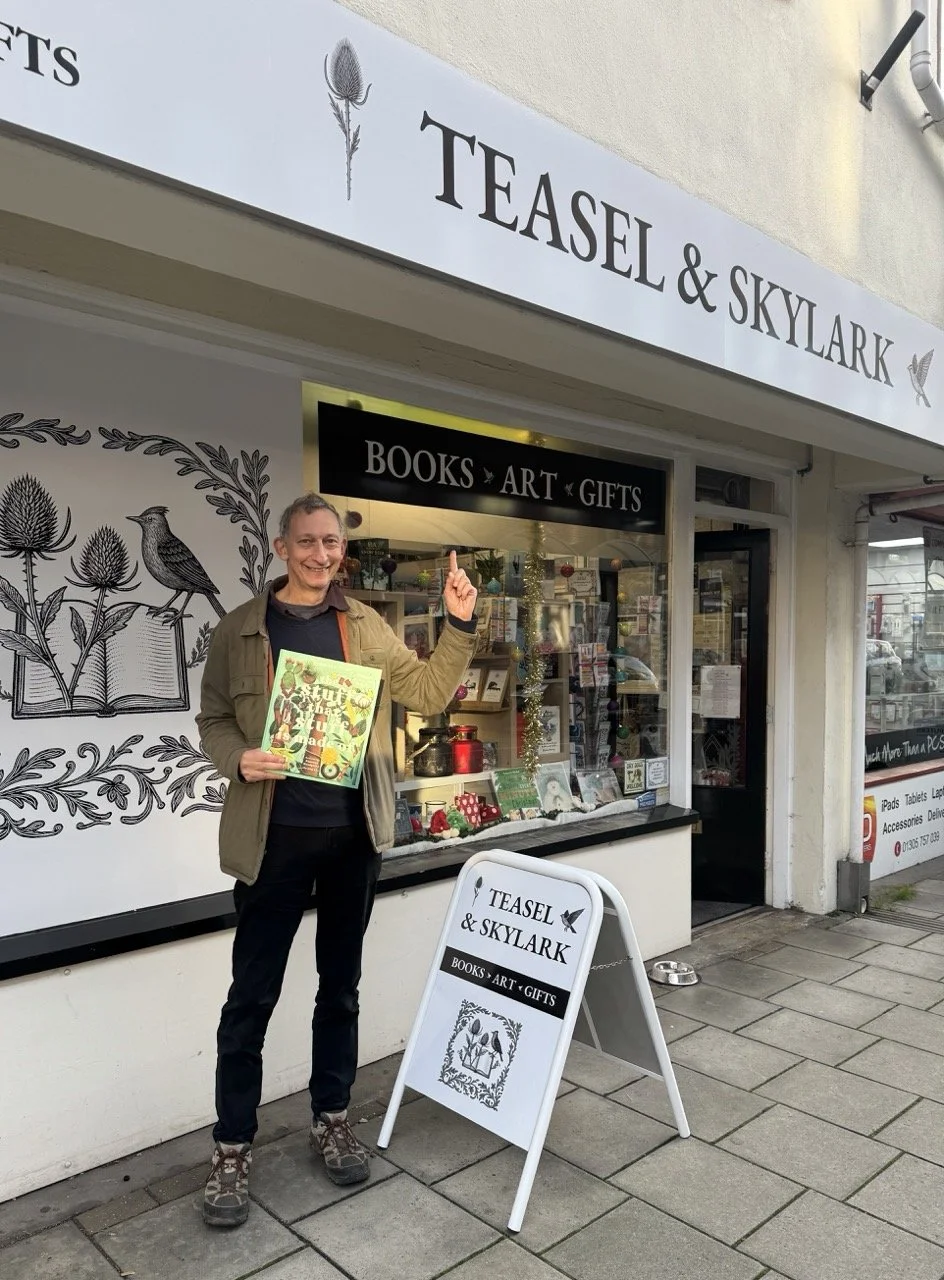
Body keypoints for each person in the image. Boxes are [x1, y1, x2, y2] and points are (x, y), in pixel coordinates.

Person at [196, 493, 478, 1227]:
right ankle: (232, 1145)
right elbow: (213, 718)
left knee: (340, 988)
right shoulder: (240, 630)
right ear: (282, 548)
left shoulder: (364, 624)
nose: (321, 554)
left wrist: (458, 623)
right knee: (251, 995)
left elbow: (428, 691)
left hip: (353, 836)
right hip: (272, 839)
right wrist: (238, 758)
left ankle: (332, 1117)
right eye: (308, 542)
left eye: (331, 543)